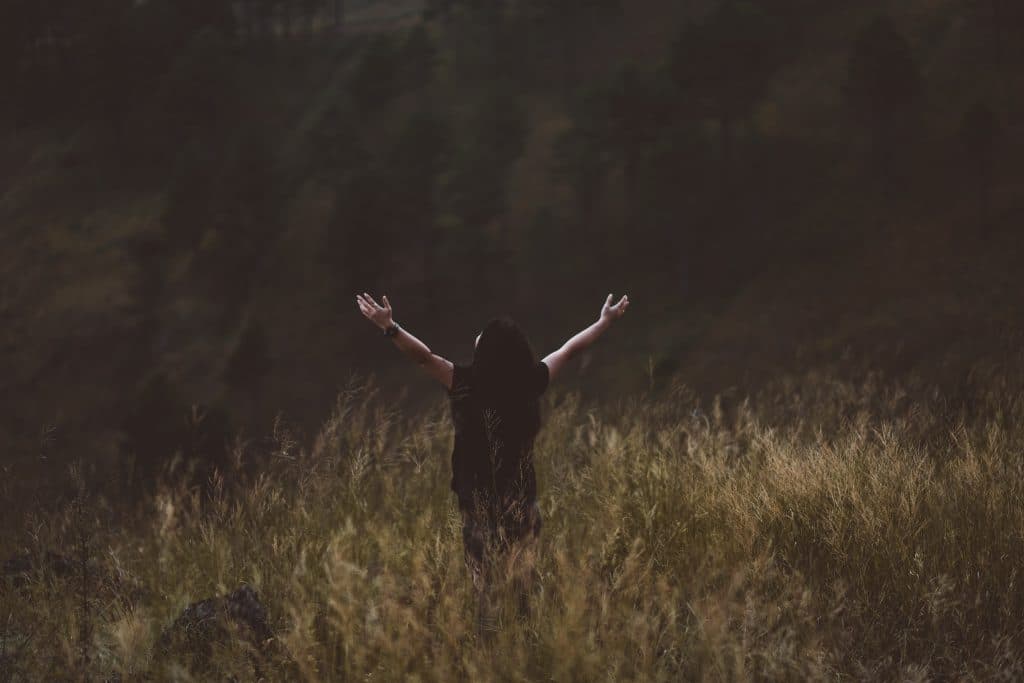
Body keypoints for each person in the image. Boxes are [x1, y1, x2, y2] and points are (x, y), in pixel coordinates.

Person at [355, 291, 630, 624]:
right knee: (522, 585)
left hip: (477, 503)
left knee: (484, 588)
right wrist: (604, 322)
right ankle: (523, 640)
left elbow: (423, 358)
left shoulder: (464, 383)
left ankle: (490, 645)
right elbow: (570, 350)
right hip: (522, 500)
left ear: (484, 350)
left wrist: (390, 327)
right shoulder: (531, 382)